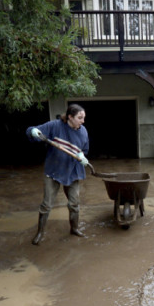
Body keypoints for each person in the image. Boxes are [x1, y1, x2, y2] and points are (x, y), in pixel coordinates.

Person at [26, 104, 90, 245]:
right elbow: (30, 130)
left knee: (74, 203)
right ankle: (40, 233)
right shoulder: (55, 126)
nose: (82, 121)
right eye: (80, 118)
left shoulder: (83, 131)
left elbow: (85, 149)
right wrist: (33, 131)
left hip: (73, 171)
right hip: (54, 170)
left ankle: (74, 228)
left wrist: (82, 156)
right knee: (47, 204)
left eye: (83, 118)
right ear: (70, 117)